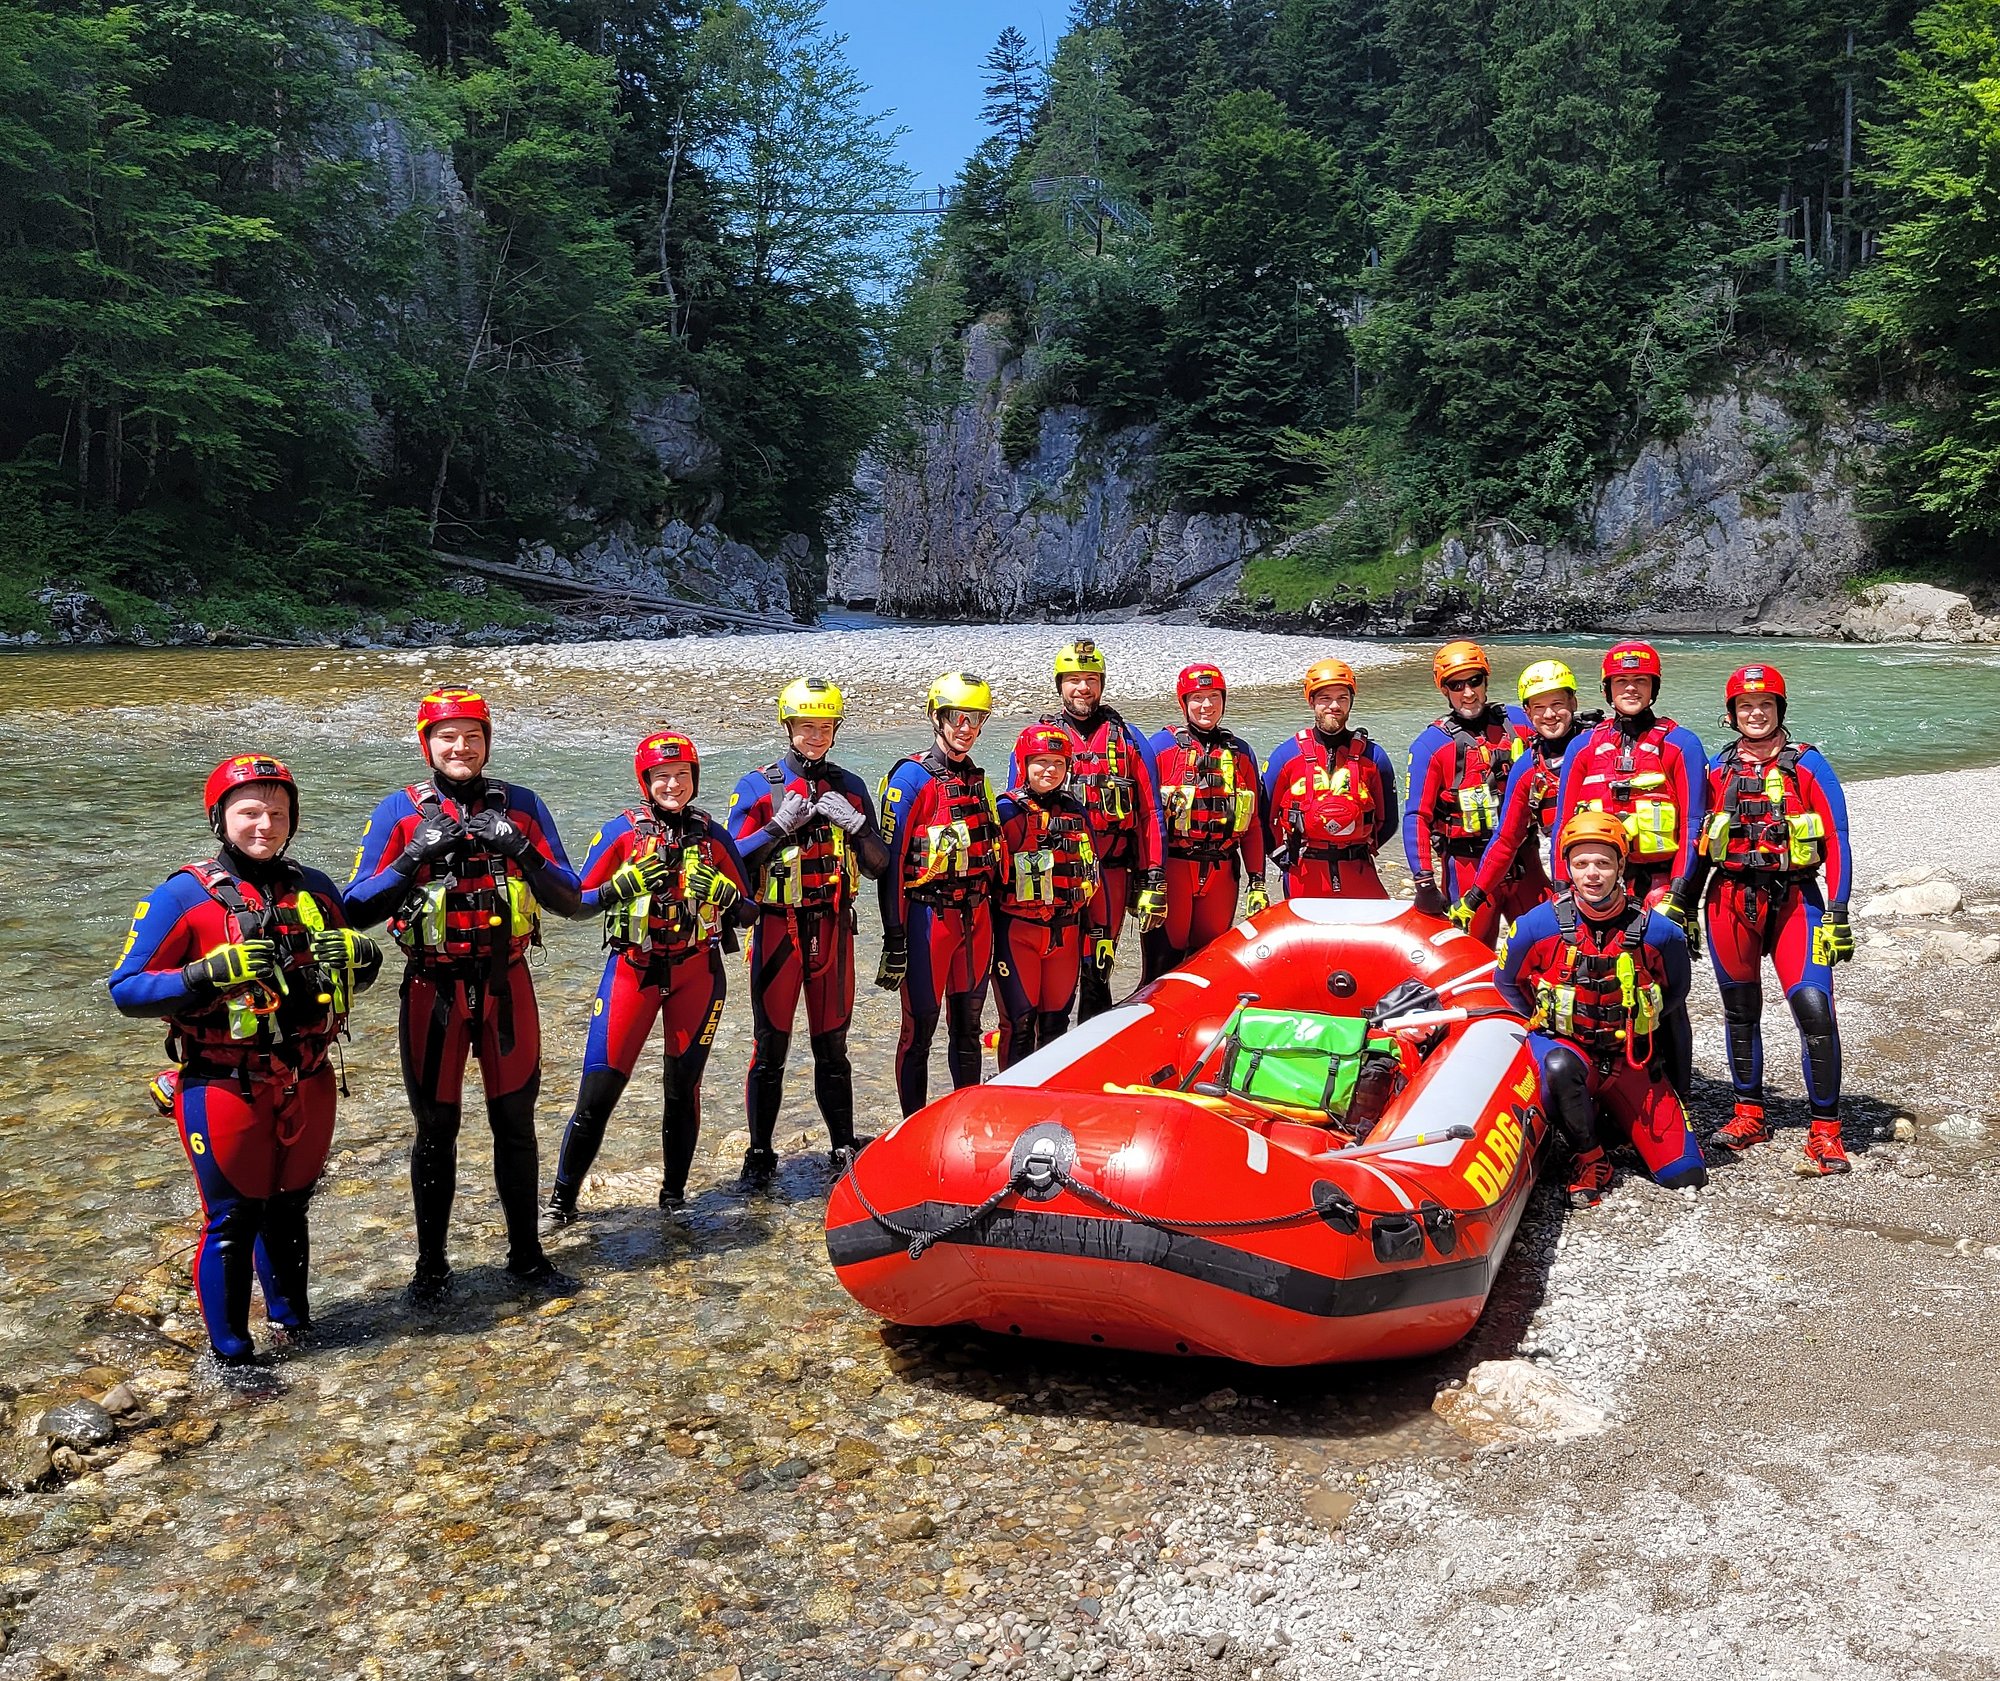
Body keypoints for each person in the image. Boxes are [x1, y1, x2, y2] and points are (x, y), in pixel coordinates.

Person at [110, 755, 382, 1368]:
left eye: (278, 814)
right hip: (224, 1083)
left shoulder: (315, 888)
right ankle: (232, 1358)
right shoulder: (182, 895)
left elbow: (342, 980)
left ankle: (295, 1328)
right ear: (221, 818)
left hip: (309, 1076)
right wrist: (205, 973)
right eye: (249, 812)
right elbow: (126, 990)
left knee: (291, 1205)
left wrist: (364, 960)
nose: (265, 825)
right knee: (233, 1218)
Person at [345, 689, 583, 1301]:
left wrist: (520, 849)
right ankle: (431, 1270)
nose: (461, 748)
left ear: (487, 743)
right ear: (426, 745)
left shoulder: (523, 806)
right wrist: (410, 861)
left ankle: (527, 1259)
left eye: (472, 736)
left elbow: (571, 899)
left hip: (507, 985)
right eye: (447, 737)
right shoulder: (398, 812)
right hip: (434, 989)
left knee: (516, 1125)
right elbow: (353, 909)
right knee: (435, 1128)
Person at [544, 733, 752, 1224]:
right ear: (645, 781)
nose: (673, 785)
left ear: (695, 779)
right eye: (662, 776)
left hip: (696, 973)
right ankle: (561, 1202)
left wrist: (722, 893)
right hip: (631, 973)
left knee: (683, 1089)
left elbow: (748, 911)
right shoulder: (620, 832)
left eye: (682, 775)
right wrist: (623, 885)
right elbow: (577, 903)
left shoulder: (713, 835)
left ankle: (674, 1199)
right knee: (598, 1092)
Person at [1664, 665, 1854, 1173]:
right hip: (1727, 902)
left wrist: (1838, 910)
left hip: (1797, 902)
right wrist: (1682, 901)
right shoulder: (1717, 770)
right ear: (1732, 716)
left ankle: (1825, 1130)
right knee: (1740, 1009)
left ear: (1779, 711)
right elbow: (1700, 842)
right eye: (1745, 707)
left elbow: (1836, 840)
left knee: (1814, 1008)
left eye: (1765, 705)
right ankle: (1749, 1113)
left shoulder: (1808, 765)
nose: (1755, 713)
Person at [1495, 813, 1707, 1206]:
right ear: (1568, 868)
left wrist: (1681, 1090)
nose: (1592, 874)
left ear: (1621, 866)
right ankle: (1589, 1155)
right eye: (1581, 864)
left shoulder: (1661, 934)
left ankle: (1613, 1120)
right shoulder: (1533, 927)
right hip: (1568, 1052)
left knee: (1685, 1173)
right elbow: (1507, 984)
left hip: (1631, 1060)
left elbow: (1675, 1001)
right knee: (1558, 1066)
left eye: (1603, 863)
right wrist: (1542, 1027)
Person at [728, 678, 890, 1185]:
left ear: (836, 729)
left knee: (832, 1044)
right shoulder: (759, 786)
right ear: (788, 726)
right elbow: (729, 863)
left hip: (833, 926)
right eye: (805, 726)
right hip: (778, 929)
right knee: (770, 1045)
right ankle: (759, 1153)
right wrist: (776, 827)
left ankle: (842, 1146)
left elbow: (879, 865)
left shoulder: (852, 786)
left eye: (825, 726)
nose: (815, 736)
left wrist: (859, 827)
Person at [1552, 642, 1707, 1095]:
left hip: (1659, 881)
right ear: (1608, 689)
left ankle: (1676, 1095)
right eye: (1622, 682)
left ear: (1653, 686)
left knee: (1664, 996)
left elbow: (1695, 821)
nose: (1631, 689)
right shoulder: (1584, 746)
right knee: (1596, 984)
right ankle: (1611, 1091)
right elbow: (1563, 824)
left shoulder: (1681, 744)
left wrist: (1681, 893)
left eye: (1640, 681)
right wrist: (1564, 888)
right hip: (1598, 886)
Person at [1012, 639, 1166, 1021]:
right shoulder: (1036, 739)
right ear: (1060, 684)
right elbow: (1013, 814)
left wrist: (1154, 880)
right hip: (1052, 880)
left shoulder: (1129, 739)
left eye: (1091, 679)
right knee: (1052, 982)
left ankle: (1090, 1050)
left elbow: (1150, 813)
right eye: (1074, 680)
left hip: (1110, 876)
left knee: (1098, 971)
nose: (1083, 688)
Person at [880, 673, 1009, 1115]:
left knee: (969, 1027)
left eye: (975, 718)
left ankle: (963, 1119)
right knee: (919, 1029)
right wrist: (894, 938)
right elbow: (893, 865)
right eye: (956, 717)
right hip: (928, 920)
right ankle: (911, 1126)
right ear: (937, 718)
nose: (966, 727)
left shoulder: (978, 779)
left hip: (975, 919)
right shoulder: (911, 778)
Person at [1453, 660, 1601, 943]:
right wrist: (1473, 898)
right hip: (1568, 883)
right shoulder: (1529, 767)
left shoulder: (1601, 743)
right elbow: (1507, 839)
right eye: (1539, 707)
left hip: (1618, 877)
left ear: (1573, 702)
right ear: (1527, 713)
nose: (1549, 715)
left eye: (1557, 704)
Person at [1143, 663, 1267, 980]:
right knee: (1163, 966)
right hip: (1175, 870)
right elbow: (1146, 818)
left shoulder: (1241, 753)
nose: (1207, 705)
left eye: (1214, 696)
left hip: (1222, 873)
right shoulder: (1160, 749)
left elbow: (1253, 824)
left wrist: (1258, 882)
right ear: (1183, 703)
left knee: (1210, 965)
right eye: (1197, 697)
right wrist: (1146, 881)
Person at [993, 724, 1101, 1066]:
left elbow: (1093, 872)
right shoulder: (1006, 813)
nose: (1049, 770)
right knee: (1019, 1023)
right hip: (1018, 934)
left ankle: (1048, 1097)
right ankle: (1011, 1101)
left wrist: (1100, 934)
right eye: (1040, 761)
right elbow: (988, 885)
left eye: (1057, 762)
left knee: (1056, 1024)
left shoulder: (1076, 811)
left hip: (1067, 934)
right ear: (1024, 764)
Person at [1403, 641, 1532, 918]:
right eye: (1457, 685)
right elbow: (1416, 816)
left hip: (1524, 861)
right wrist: (1423, 880)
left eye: (1475, 681)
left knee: (1549, 951)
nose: (1469, 693)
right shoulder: (1430, 745)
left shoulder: (1520, 722)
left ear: (1486, 680)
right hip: (1467, 865)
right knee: (1469, 953)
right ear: (1444, 690)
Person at [1261, 658, 1399, 899]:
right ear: (1311, 701)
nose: (1334, 706)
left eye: (1342, 698)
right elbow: (1263, 816)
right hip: (1304, 871)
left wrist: (1360, 848)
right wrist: (1279, 854)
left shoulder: (1374, 757)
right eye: (1325, 698)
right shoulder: (1286, 756)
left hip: (1357, 868)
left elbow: (1388, 822)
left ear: (1351, 703)